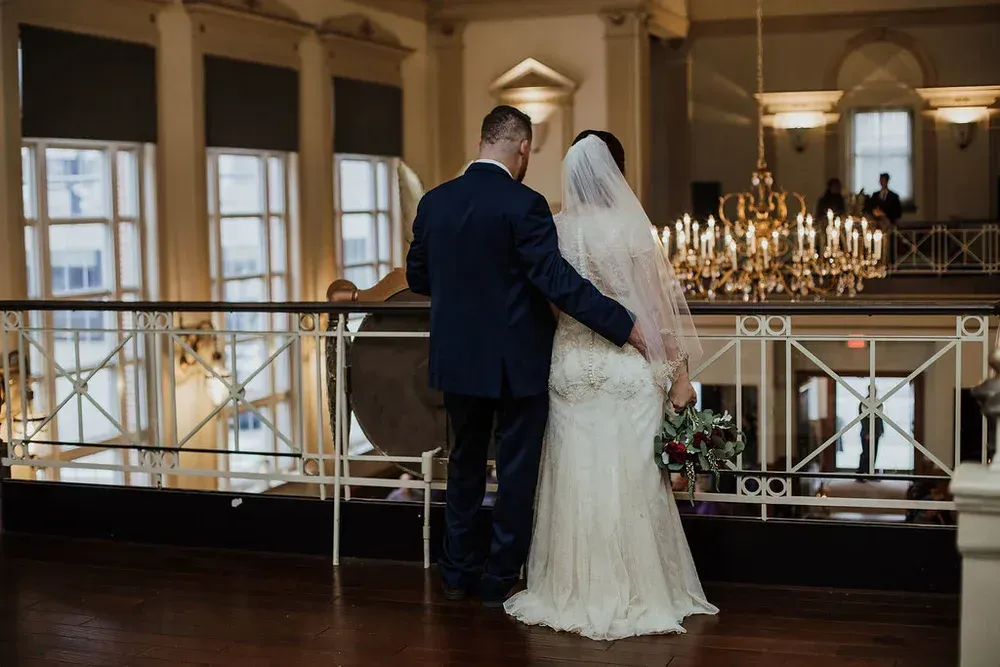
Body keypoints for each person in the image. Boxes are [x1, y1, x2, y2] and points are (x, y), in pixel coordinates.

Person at [405, 107, 646, 608]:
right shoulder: (525, 204)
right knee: (514, 473)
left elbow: (419, 278)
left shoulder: (434, 202)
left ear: (481, 141)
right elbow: (555, 281)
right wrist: (624, 324)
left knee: (465, 467)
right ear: (521, 150)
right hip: (517, 360)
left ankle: (455, 575)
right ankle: (498, 579)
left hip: (456, 360)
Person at [503, 131, 718, 640]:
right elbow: (657, 311)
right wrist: (680, 375)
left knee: (575, 476)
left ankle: (569, 589)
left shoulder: (555, 229)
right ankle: (641, 592)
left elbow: (555, 302)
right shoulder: (632, 228)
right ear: (616, 174)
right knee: (632, 477)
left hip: (572, 365)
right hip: (627, 365)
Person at [856, 388, 885, 480]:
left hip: (876, 433)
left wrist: (881, 430)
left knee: (873, 454)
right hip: (867, 434)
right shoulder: (865, 402)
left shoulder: (877, 402)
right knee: (866, 454)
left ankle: (869, 474)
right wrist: (867, 433)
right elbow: (863, 419)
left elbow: (879, 418)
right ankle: (860, 474)